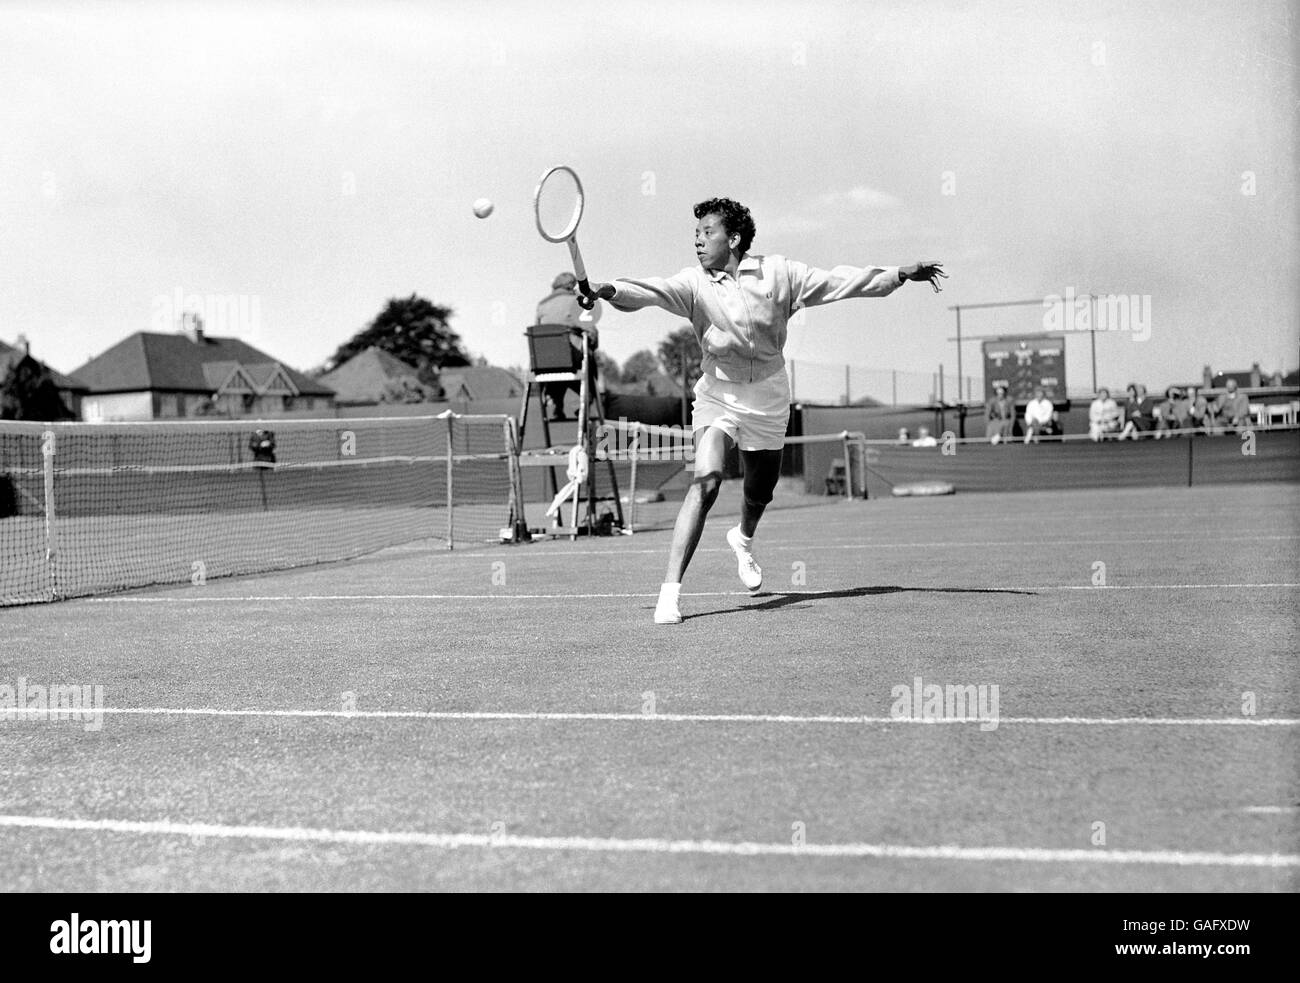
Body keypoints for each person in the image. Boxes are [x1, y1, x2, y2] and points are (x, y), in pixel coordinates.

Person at [584, 197, 945, 624]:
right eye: (695, 234)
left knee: (760, 492)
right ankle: (670, 594)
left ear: (733, 238)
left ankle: (743, 538)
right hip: (718, 394)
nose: (697, 241)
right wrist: (606, 290)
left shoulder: (781, 273)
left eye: (707, 233)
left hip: (770, 396)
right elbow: (647, 291)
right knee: (707, 481)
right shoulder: (693, 283)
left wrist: (897, 274)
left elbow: (838, 283)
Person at [535, 272, 602, 421]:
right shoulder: (577, 302)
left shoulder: (541, 305)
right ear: (572, 286)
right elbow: (592, 334)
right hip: (572, 359)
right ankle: (584, 403)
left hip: (545, 363)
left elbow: (538, 331)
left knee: (557, 363)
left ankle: (554, 402)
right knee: (583, 362)